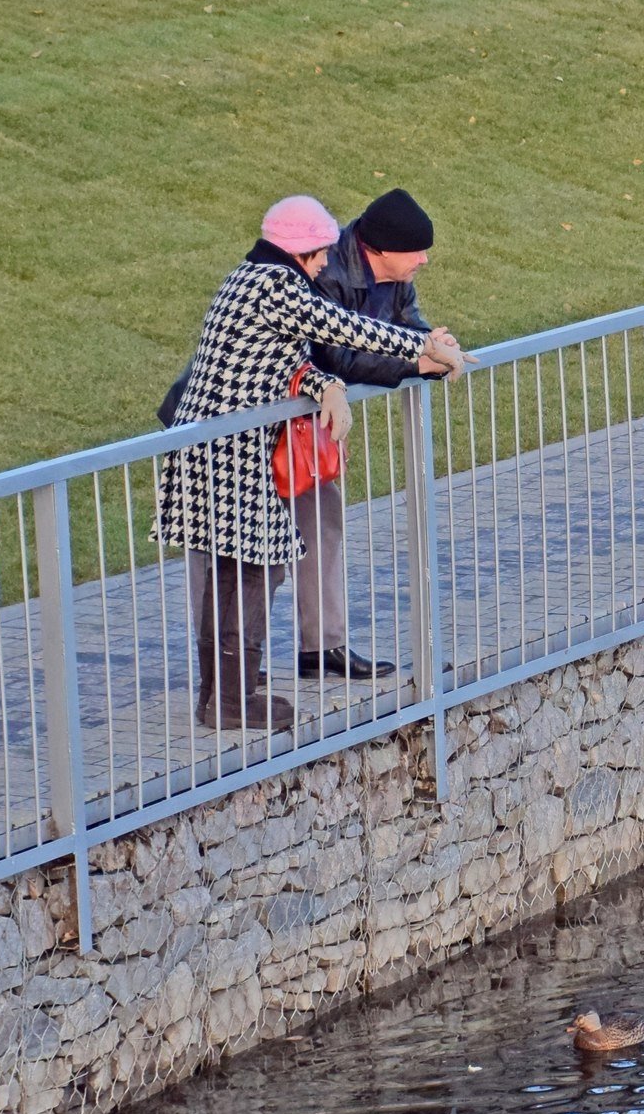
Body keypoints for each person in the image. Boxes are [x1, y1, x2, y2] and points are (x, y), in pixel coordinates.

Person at [151, 196, 458, 732]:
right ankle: (230, 701)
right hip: (228, 453)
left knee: (235, 574)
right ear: (301, 249)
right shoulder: (277, 285)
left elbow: (284, 359)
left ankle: (219, 695)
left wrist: (326, 385)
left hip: (214, 447)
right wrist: (426, 348)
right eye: (319, 254)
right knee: (249, 572)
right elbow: (344, 329)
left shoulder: (249, 278)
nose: (323, 264)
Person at [290, 188, 465, 679]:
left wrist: (434, 345)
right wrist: (419, 359)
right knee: (250, 550)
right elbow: (337, 357)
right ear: (382, 250)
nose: (425, 260)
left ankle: (320, 647)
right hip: (265, 419)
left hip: (308, 426)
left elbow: (409, 326)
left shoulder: (395, 278)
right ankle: (236, 670)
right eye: (417, 251)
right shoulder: (325, 274)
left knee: (321, 524)